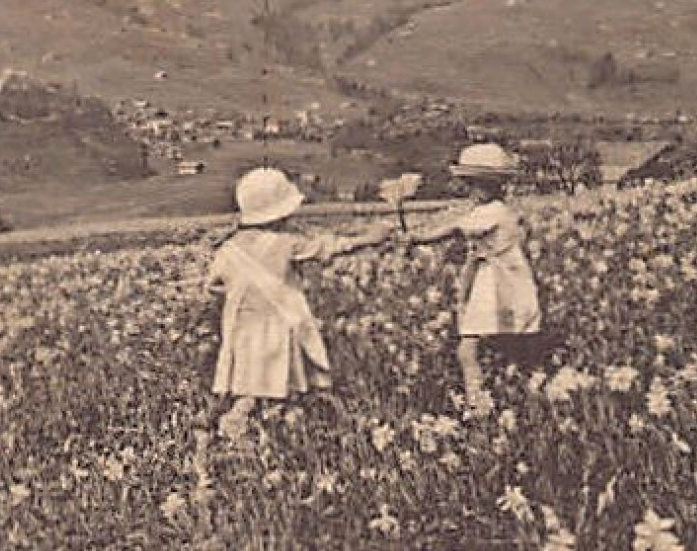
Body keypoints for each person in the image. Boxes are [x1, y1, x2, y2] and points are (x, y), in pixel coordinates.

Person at [204, 167, 390, 440]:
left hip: (242, 329)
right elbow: (328, 246)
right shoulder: (285, 244)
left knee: (249, 383)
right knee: (279, 380)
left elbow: (214, 286)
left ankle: (241, 427)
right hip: (279, 325)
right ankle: (242, 428)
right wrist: (369, 239)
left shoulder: (227, 248)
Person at [402, 143, 545, 412]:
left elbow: (455, 229)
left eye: (476, 184)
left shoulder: (493, 212)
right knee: (496, 346)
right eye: (470, 183)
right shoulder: (491, 210)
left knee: (469, 349)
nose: (471, 190)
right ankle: (506, 399)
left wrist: (418, 237)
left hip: (498, 285)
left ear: (492, 185)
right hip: (494, 280)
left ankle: (479, 405)